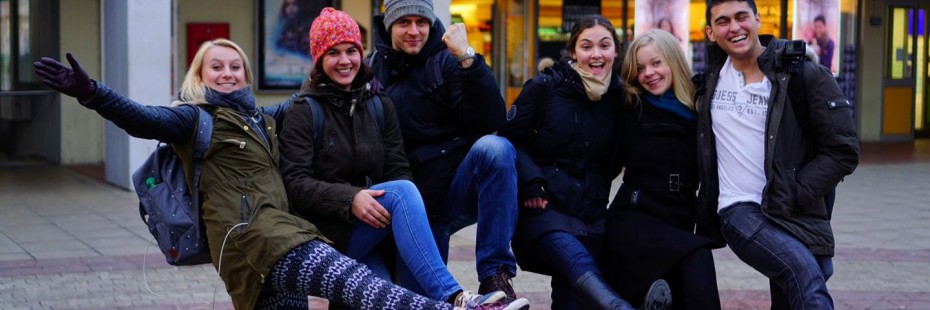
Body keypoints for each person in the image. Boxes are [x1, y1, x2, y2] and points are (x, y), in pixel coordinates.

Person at [32, 39, 515, 310]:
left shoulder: (262, 119)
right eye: (215, 67)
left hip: (277, 240)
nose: (227, 73)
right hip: (257, 240)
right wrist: (92, 92)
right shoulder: (193, 118)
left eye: (235, 66)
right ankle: (458, 305)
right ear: (200, 75)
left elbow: (313, 100)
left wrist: (350, 75)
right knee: (368, 290)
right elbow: (143, 117)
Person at [277, 8, 529, 310]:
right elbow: (295, 182)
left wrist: (468, 59)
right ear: (319, 58)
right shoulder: (305, 109)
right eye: (333, 52)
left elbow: (399, 167)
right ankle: (458, 298)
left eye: (350, 51)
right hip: (329, 233)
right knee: (401, 200)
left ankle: (476, 289)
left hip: (385, 221)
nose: (344, 61)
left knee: (401, 300)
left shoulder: (378, 102)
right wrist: (351, 199)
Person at [498, 16, 671, 310]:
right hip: (543, 212)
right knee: (577, 261)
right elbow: (507, 140)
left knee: (573, 299)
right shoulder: (546, 87)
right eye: (586, 46)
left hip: (591, 217)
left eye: (604, 46)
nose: (596, 54)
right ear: (573, 52)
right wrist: (531, 182)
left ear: (616, 51)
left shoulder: (621, 99)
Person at [699, 0, 859, 309]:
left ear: (758, 19)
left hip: (789, 207)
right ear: (710, 32)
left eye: (741, 16)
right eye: (723, 21)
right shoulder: (710, 83)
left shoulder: (802, 75)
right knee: (804, 274)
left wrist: (796, 192)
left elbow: (843, 148)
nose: (734, 27)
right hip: (738, 209)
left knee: (796, 290)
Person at [367, 0, 522, 302]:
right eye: (404, 23)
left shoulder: (448, 61)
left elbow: (490, 120)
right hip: (411, 209)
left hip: (454, 189)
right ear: (389, 25)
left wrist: (468, 59)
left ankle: (494, 274)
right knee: (423, 300)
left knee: (496, 149)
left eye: (421, 22)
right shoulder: (372, 70)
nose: (414, 31)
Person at [604, 29, 721, 310]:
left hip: (678, 218)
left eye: (656, 63)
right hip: (634, 219)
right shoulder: (630, 105)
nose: (649, 74)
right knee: (698, 257)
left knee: (681, 288)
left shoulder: (701, 108)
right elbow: (602, 162)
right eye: (640, 68)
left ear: (673, 61)